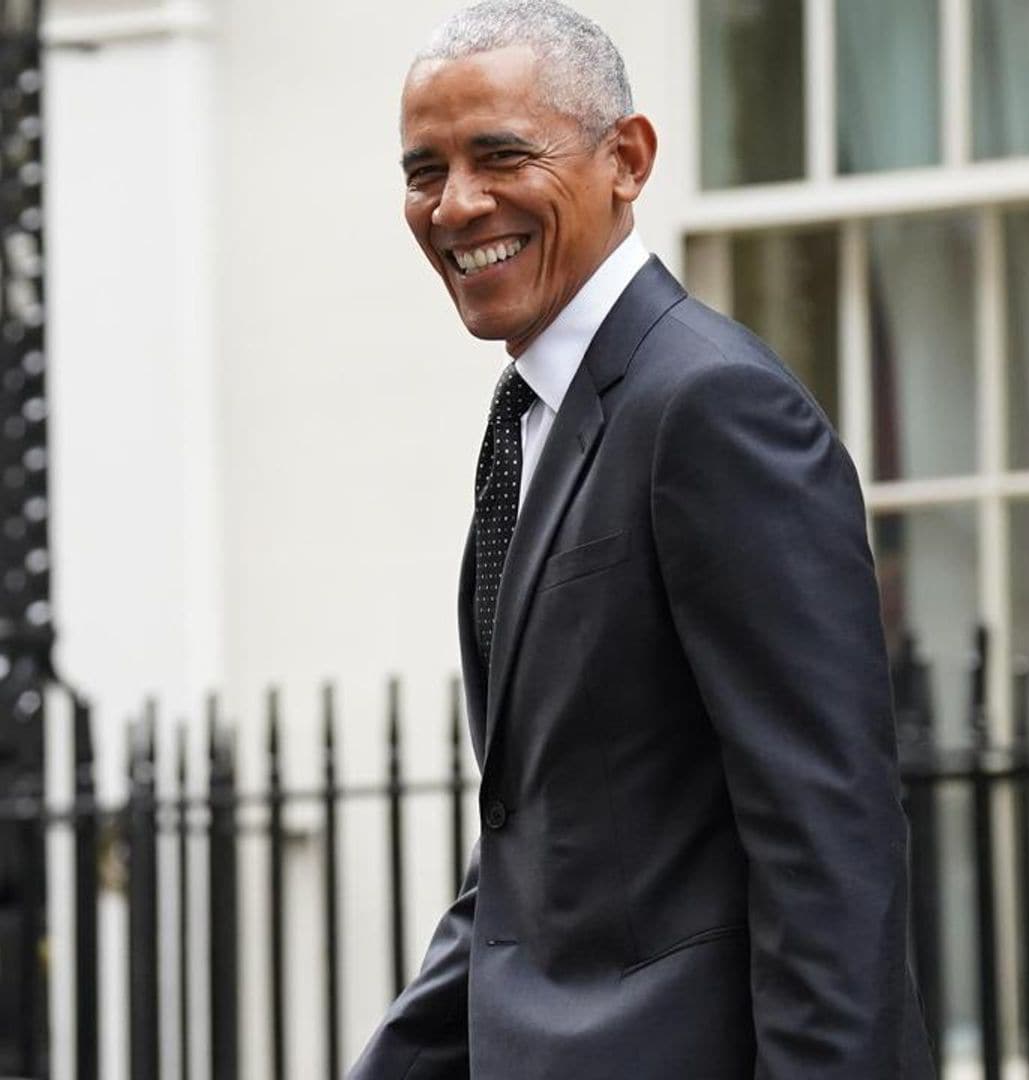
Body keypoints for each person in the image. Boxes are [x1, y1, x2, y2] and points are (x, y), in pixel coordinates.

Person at [351, 2, 934, 1077]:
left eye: (501, 154)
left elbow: (830, 842)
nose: (456, 204)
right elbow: (536, 845)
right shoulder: (537, 413)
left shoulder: (711, 406)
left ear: (627, 159)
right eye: (423, 169)